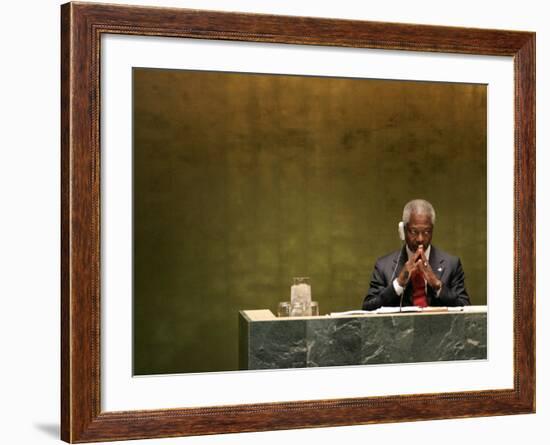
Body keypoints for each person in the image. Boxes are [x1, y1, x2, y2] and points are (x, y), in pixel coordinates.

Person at [362, 199, 470, 310]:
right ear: (403, 230)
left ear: (433, 230)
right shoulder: (383, 266)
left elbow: (466, 308)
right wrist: (398, 284)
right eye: (414, 232)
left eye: (427, 232)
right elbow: (368, 308)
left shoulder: (451, 264)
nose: (420, 239)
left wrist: (437, 284)